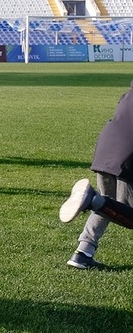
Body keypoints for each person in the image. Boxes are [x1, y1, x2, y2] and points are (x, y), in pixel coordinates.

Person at [58, 81, 133, 269]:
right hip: (128, 154)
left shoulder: (129, 94)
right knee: (124, 212)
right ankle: (91, 200)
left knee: (108, 203)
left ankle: (83, 253)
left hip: (106, 149)